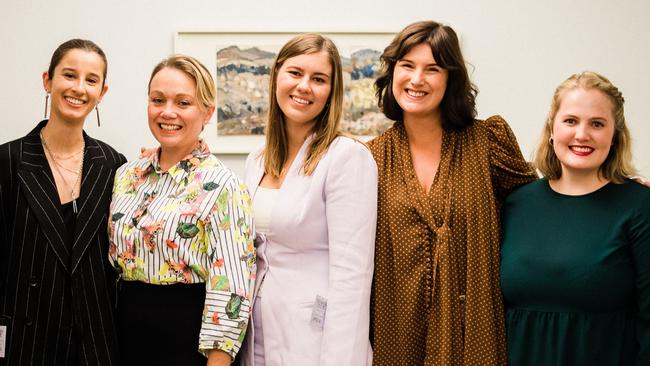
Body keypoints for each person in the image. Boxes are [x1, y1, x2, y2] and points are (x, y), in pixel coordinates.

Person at [368, 21, 537, 365]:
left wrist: (615, 186)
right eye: (407, 66)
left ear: (451, 78)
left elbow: (540, 208)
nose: (417, 79)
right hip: (396, 335)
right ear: (393, 72)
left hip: (475, 333)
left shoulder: (488, 142)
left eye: (432, 69)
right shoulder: (369, 160)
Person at [240, 33, 378, 365]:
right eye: (295, 73)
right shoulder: (256, 160)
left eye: (318, 79)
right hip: (256, 335)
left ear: (331, 92)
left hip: (315, 341)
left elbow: (352, 277)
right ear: (276, 76)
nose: (304, 86)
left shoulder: (346, 157)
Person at [108, 55, 255, 366]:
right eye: (157, 100)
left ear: (207, 112)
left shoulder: (223, 185)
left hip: (185, 341)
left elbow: (231, 290)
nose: (168, 112)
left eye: (183, 102)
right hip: (121, 337)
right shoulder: (126, 176)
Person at [500, 71, 650, 365]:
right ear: (552, 129)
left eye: (597, 124)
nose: (582, 134)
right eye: (571, 121)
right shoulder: (515, 203)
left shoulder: (639, 206)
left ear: (615, 135)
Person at [0, 39, 124, 365]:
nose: (79, 88)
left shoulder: (115, 165)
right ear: (48, 80)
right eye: (69, 75)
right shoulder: (7, 161)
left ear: (103, 92)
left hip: (94, 344)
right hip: (25, 343)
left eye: (91, 80)